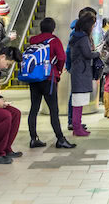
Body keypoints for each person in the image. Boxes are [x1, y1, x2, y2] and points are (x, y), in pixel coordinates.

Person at [27, 17, 75, 149]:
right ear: (53, 28)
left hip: (34, 78)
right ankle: (60, 139)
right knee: (54, 110)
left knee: (34, 108)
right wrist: (58, 71)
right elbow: (61, 57)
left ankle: (33, 139)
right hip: (49, 79)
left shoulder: (33, 40)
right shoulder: (54, 41)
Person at [68, 14, 99, 137]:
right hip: (81, 71)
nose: (93, 27)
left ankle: (77, 126)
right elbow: (87, 54)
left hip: (78, 71)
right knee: (78, 102)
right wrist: (97, 53)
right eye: (92, 25)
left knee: (78, 101)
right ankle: (77, 128)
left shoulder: (76, 36)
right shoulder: (83, 38)